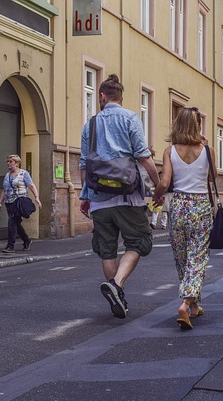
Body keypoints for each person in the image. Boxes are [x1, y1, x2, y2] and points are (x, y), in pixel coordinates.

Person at [79, 74, 160, 320]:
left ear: (102, 97)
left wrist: (86, 196)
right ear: (120, 97)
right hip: (129, 198)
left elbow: (84, 165)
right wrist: (158, 185)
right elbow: (144, 157)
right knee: (139, 242)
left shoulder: (90, 125)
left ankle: (116, 293)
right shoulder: (130, 118)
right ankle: (117, 285)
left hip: (99, 199)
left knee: (107, 250)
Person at [153, 107, 216, 330]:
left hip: (178, 207)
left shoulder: (169, 151)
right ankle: (186, 302)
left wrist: (156, 196)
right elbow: (212, 177)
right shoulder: (208, 150)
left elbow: (164, 182)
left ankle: (193, 307)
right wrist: (205, 150)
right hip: (200, 207)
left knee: (182, 259)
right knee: (197, 260)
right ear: (197, 126)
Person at [0, 154, 42, 253]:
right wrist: (0, 203)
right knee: (16, 223)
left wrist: (37, 198)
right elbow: (5, 190)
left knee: (11, 222)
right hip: (8, 203)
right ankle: (26, 240)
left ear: (16, 163)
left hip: (18, 202)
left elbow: (31, 186)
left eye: (10, 161)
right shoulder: (7, 175)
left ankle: (10, 246)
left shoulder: (23, 174)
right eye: (7, 162)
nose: (8, 164)